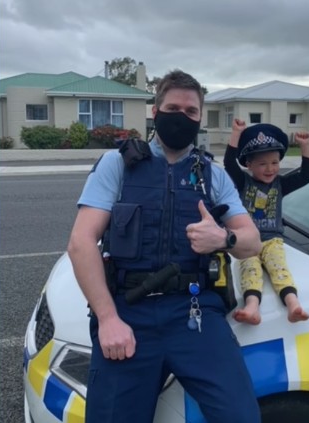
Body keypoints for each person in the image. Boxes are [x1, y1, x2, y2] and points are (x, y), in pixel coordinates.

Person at [67, 70, 263, 423]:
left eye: (191, 111)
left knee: (241, 416)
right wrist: (108, 318)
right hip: (129, 310)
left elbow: (252, 241)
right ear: (155, 112)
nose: (181, 117)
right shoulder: (119, 165)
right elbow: (81, 243)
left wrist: (224, 239)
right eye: (173, 107)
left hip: (193, 312)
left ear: (200, 118)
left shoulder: (212, 175)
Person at [223, 119, 309, 325]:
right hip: (249, 240)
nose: (270, 169)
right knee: (250, 269)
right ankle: (252, 308)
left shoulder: (280, 184)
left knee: (279, 268)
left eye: (274, 163)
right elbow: (229, 162)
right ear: (249, 164)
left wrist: (305, 146)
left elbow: (307, 176)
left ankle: (293, 305)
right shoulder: (243, 182)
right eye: (262, 163)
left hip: (273, 239)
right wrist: (237, 132)